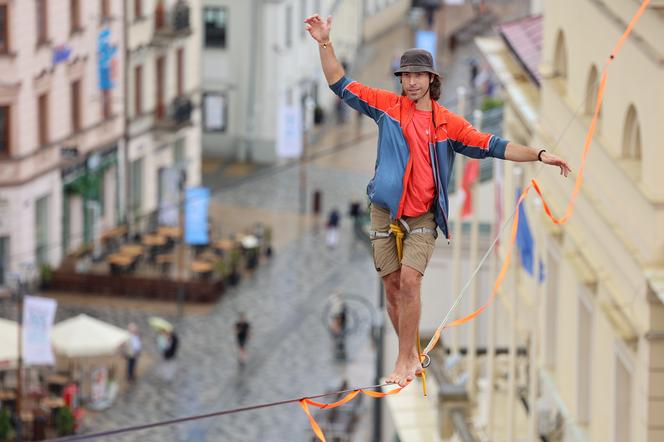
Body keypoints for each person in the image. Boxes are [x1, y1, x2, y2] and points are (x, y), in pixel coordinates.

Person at [304, 14, 571, 387]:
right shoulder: (387, 107)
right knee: (393, 287)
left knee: (411, 282)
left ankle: (403, 360)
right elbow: (340, 84)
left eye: (418, 75)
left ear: (431, 79)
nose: (411, 82)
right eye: (405, 76)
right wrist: (324, 42)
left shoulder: (449, 125)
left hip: (422, 219)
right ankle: (410, 354)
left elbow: (495, 146)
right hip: (383, 213)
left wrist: (540, 154)